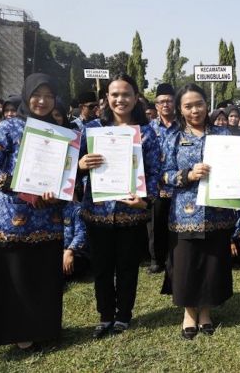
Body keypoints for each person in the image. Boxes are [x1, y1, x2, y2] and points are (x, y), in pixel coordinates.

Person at [0, 73, 65, 349]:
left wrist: (57, 191)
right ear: (27, 96)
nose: (43, 101)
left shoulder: (61, 133)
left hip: (47, 217)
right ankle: (16, 332)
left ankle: (43, 329)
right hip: (13, 217)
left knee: (41, 275)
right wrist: (22, 188)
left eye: (49, 96)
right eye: (37, 95)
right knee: (14, 276)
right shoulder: (8, 127)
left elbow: (66, 175)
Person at [160, 83, 240, 340]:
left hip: (218, 212)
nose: (194, 110)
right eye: (188, 106)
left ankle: (206, 312)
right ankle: (189, 313)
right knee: (186, 265)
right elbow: (163, 175)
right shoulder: (173, 137)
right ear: (180, 109)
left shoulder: (224, 135)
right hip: (185, 213)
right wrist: (188, 175)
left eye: (199, 104)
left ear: (207, 105)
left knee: (213, 264)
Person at [78, 73, 161, 338]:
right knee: (101, 268)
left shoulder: (147, 133)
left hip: (131, 214)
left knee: (127, 268)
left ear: (136, 98)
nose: (120, 99)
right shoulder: (91, 130)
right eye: (114, 94)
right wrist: (81, 166)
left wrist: (145, 200)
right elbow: (71, 169)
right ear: (107, 98)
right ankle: (105, 316)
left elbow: (156, 173)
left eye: (126, 94)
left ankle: (124, 314)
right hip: (98, 212)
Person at [148, 83, 179, 274]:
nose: (165, 105)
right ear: (156, 105)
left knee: (175, 223)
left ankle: (172, 258)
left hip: (178, 183)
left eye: (169, 101)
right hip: (156, 185)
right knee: (155, 225)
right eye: (161, 102)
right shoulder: (149, 128)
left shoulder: (183, 127)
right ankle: (156, 259)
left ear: (175, 103)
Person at [62, 199, 90, 281]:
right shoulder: (49, 208)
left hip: (77, 254)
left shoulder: (77, 209)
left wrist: (70, 251)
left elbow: (81, 234)